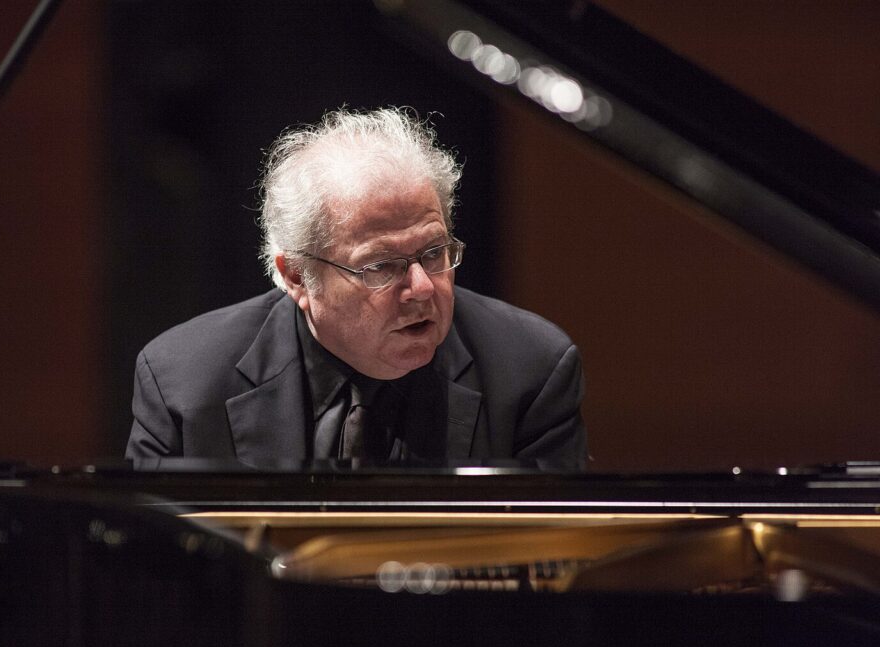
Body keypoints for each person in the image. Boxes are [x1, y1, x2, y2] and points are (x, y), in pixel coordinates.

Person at [126, 107, 587, 470]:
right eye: (381, 266)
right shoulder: (184, 384)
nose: (422, 287)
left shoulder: (531, 371)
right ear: (296, 276)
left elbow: (549, 555)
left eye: (433, 252)